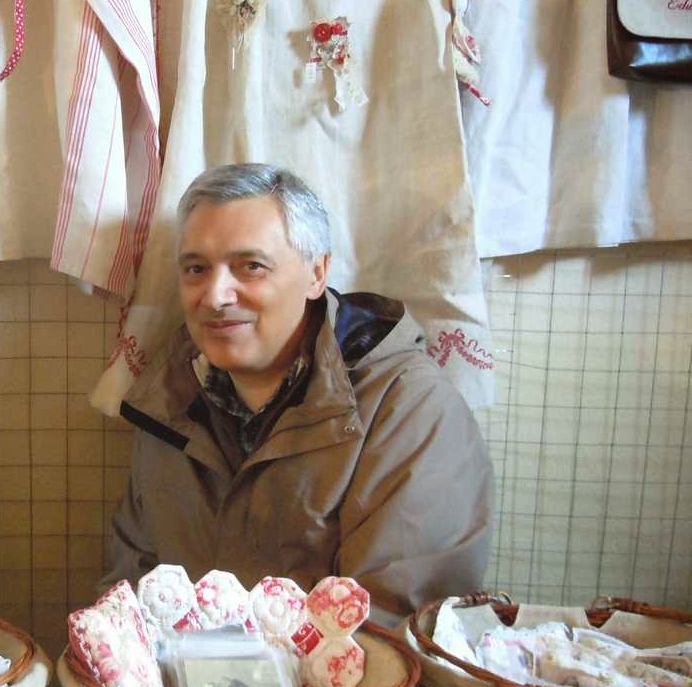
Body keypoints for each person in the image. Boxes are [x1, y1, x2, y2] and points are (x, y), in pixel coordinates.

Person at [104, 164, 491, 625]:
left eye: (251, 266)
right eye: (196, 269)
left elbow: (389, 624)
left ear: (316, 274)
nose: (215, 296)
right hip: (173, 674)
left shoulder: (408, 408)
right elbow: (128, 595)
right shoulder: (167, 401)